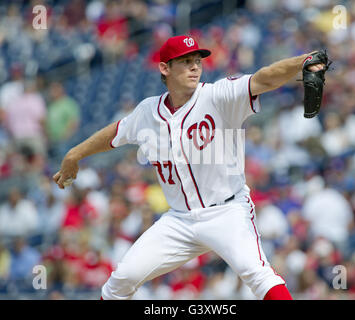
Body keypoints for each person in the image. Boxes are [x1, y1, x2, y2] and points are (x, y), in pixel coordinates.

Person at [53, 35, 326, 300]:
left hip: (227, 211)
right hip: (179, 220)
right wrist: (74, 154)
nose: (195, 66)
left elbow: (264, 78)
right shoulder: (147, 112)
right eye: (185, 61)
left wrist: (301, 62)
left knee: (258, 275)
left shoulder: (219, 95)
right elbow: (115, 134)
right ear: (164, 68)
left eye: (198, 60)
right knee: (120, 281)